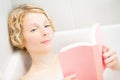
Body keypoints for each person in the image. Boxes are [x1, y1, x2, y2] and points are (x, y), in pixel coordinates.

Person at [8, 4, 120, 80]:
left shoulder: (75, 55)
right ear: (20, 39)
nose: (45, 32)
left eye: (47, 25)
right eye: (34, 29)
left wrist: (114, 65)